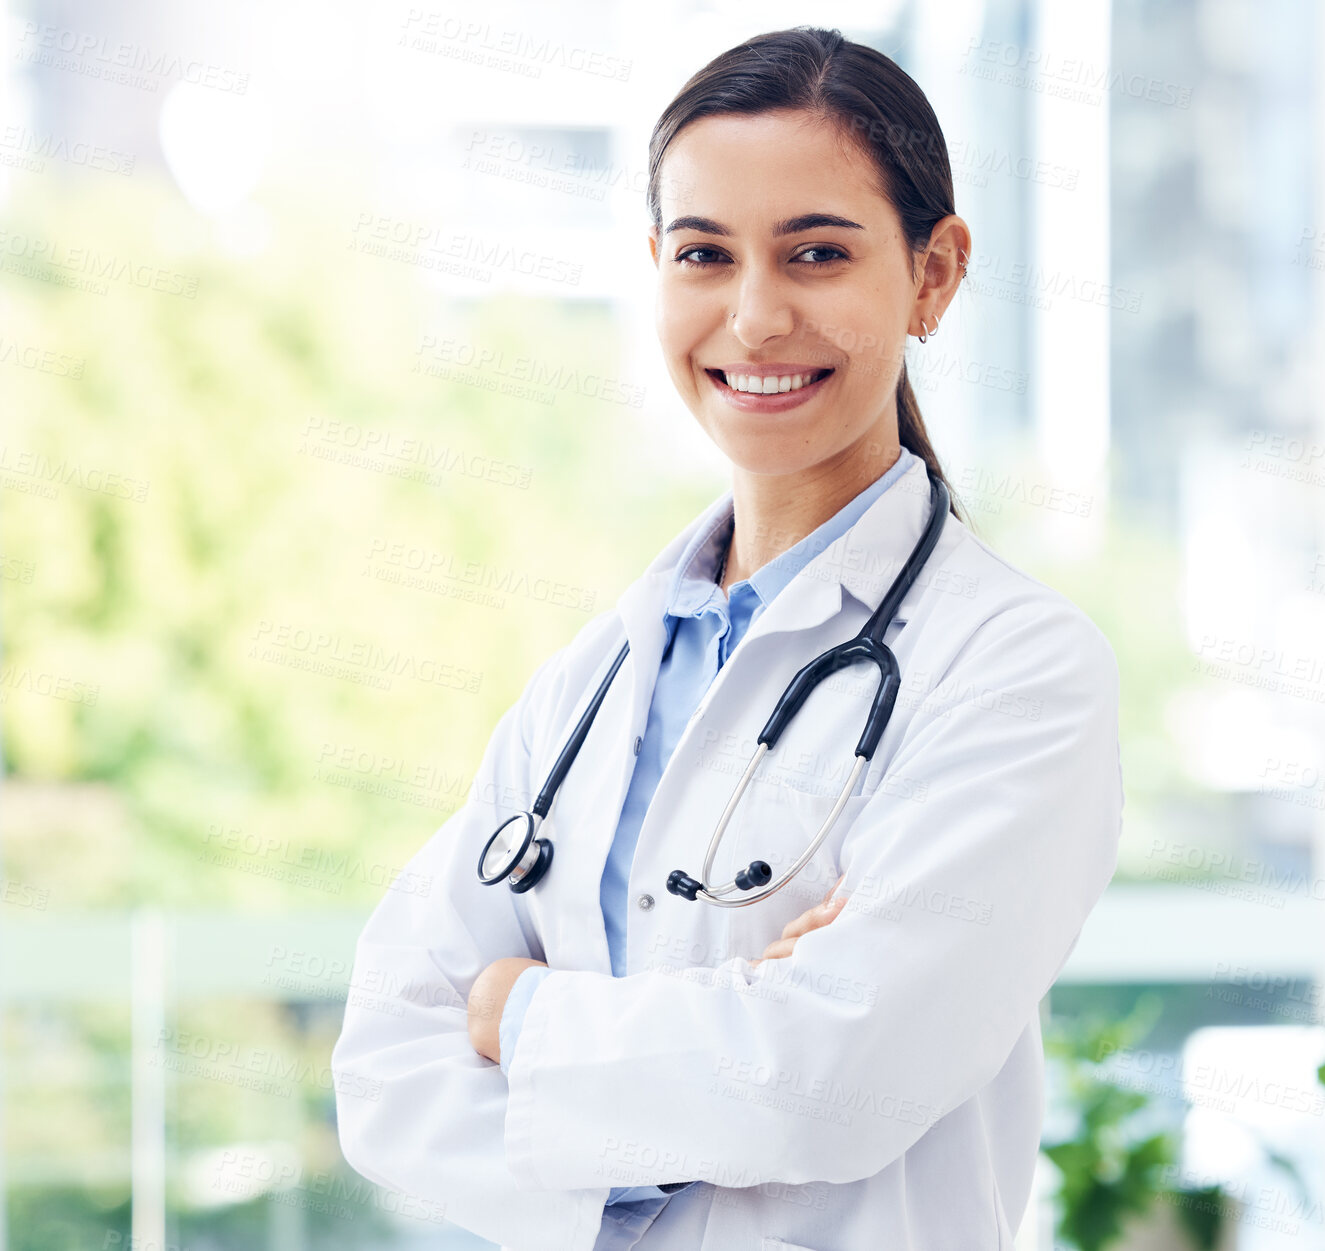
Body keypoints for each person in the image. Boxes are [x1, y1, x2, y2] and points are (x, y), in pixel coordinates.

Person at [331, 25, 1123, 1251]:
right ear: (656, 266)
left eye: (817, 253)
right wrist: (727, 1045)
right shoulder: (594, 680)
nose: (754, 319)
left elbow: (827, 1084)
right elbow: (386, 1067)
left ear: (934, 273)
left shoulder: (1016, 668)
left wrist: (519, 1014)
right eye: (705, 254)